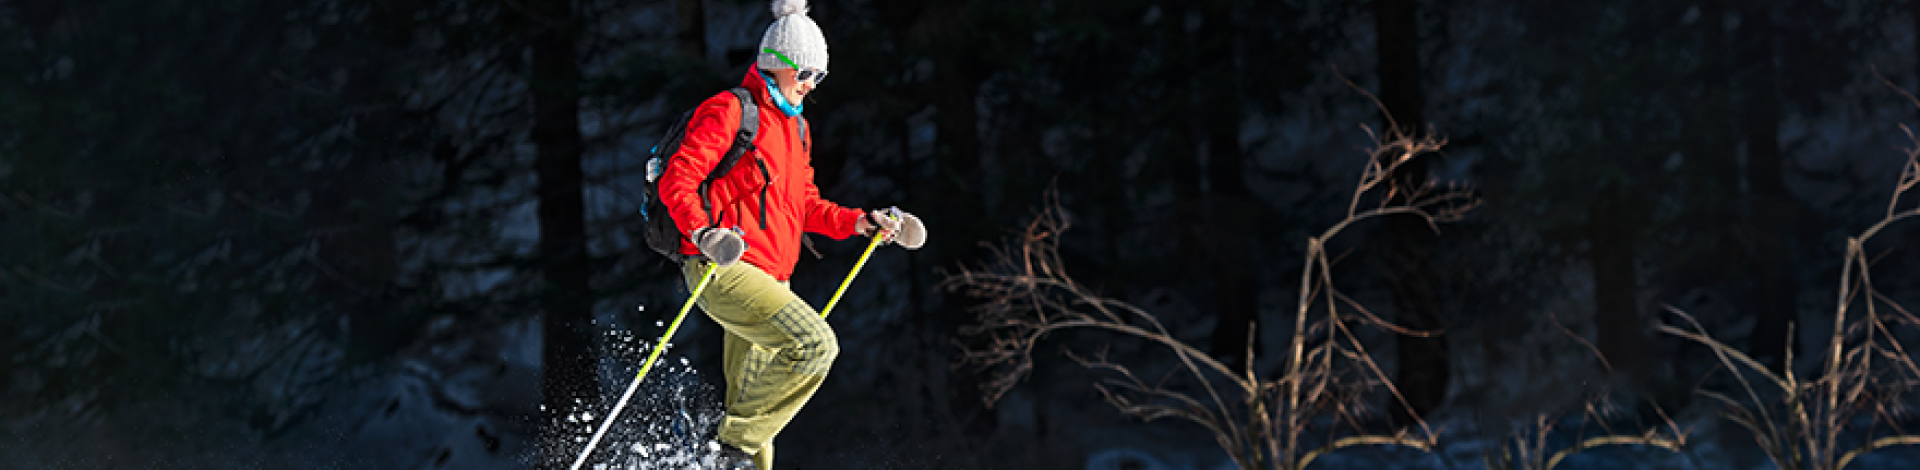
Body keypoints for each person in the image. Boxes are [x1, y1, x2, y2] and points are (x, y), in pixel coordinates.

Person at [658, 0, 926, 468]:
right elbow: (677, 179)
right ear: (775, 65)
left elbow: (804, 205)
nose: (810, 85)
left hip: (773, 278)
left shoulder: (796, 128)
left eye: (819, 77)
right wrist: (703, 233)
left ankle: (732, 452)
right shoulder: (730, 111)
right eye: (805, 73)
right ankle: (724, 451)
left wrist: (863, 222)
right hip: (724, 267)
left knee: (757, 413)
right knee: (815, 345)